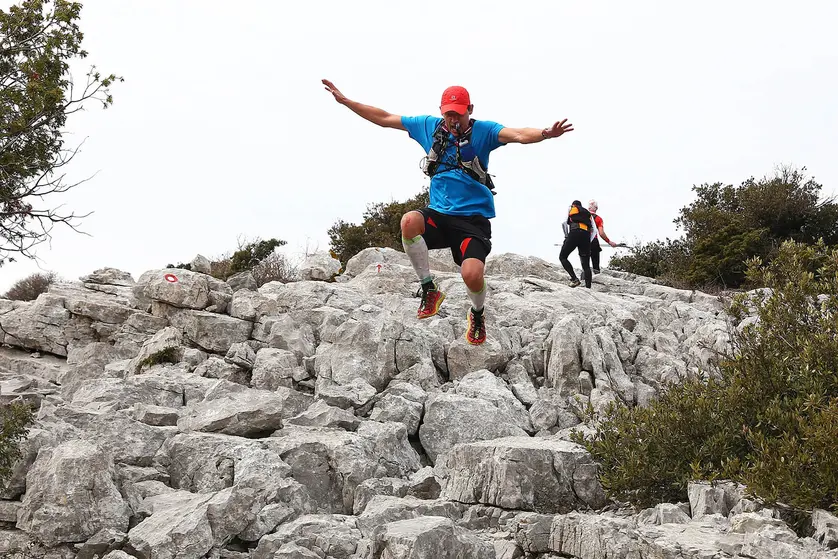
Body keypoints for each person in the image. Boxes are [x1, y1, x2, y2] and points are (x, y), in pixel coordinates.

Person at [322, 79, 574, 344]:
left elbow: (519, 134)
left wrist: (546, 133)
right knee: (409, 221)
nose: (453, 120)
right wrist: (347, 102)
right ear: (441, 111)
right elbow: (385, 118)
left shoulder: (484, 131)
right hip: (439, 215)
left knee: (472, 275)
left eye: (459, 114)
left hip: (472, 220)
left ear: (470, 110)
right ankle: (428, 288)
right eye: (448, 114)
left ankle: (477, 313)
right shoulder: (428, 126)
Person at [559, 200, 593, 288]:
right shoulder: (588, 213)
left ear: (573, 205)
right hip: (586, 235)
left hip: (575, 233)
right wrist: (589, 240)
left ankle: (574, 279)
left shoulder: (572, 208)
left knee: (563, 257)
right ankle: (588, 288)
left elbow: (564, 223)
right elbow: (594, 230)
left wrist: (566, 236)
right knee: (586, 264)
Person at [587, 199, 618, 273]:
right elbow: (601, 233)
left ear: (588, 207)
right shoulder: (598, 219)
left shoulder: (582, 216)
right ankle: (596, 275)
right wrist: (609, 242)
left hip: (583, 240)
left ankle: (585, 276)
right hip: (593, 241)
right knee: (595, 264)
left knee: (585, 263)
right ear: (596, 208)